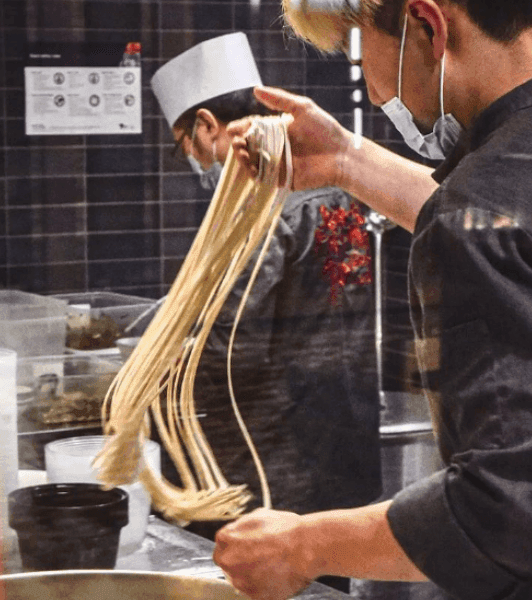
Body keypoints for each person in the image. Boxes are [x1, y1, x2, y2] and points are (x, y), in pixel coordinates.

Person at [212, 1, 532, 599]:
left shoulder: (483, 210)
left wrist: (302, 546)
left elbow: (509, 514)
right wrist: (345, 157)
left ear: (428, 25)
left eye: (364, 50)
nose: (372, 85)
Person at [150, 33, 383, 592]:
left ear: (207, 125)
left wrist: (150, 386)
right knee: (331, 582)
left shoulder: (257, 197)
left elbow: (230, 339)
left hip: (269, 461)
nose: (193, 158)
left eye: (187, 141)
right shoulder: (332, 189)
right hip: (342, 435)